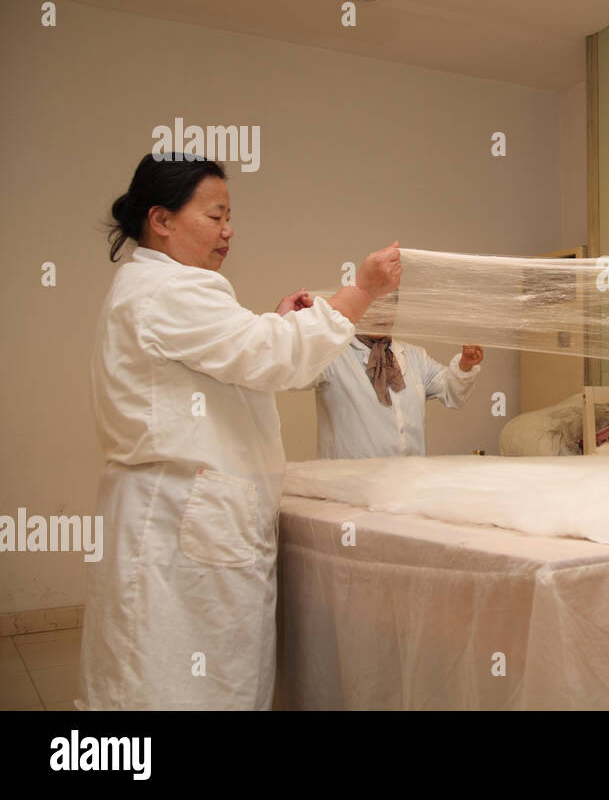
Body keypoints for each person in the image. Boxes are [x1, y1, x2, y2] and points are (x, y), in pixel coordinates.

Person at [80, 153, 402, 710]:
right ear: (161, 220)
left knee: (200, 676)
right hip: (181, 517)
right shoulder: (171, 290)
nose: (228, 231)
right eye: (214, 215)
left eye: (230, 216)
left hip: (186, 512)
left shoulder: (158, 288)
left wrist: (277, 323)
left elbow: (234, 360)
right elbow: (276, 360)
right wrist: (361, 291)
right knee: (173, 686)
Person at [309, 300, 485, 458]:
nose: (381, 314)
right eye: (373, 306)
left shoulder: (415, 356)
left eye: (388, 306)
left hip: (406, 479)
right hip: (349, 483)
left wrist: (465, 365)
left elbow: (450, 391)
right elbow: (293, 375)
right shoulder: (333, 355)